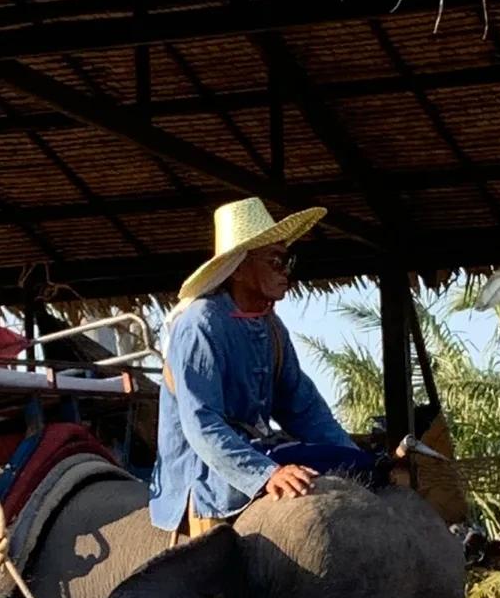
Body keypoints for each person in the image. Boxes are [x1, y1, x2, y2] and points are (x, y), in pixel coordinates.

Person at [150, 196, 375, 540]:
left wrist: (356, 463)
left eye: (288, 260)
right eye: (275, 260)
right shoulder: (200, 326)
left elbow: (303, 407)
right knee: (224, 584)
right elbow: (201, 424)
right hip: (207, 474)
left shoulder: (271, 327)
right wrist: (266, 475)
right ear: (238, 268)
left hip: (258, 450)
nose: (285, 271)